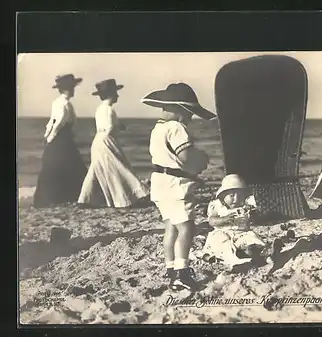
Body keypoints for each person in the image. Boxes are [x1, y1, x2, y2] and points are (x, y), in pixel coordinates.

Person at [141, 82, 215, 291]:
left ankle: (170, 268)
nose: (191, 119)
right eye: (190, 113)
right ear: (180, 110)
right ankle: (182, 273)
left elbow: (167, 161)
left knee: (170, 227)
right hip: (175, 186)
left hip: (160, 183)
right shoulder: (176, 128)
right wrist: (201, 159)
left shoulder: (157, 129)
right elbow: (185, 158)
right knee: (187, 227)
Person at [78, 79, 149, 208]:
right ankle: (129, 196)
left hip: (98, 140)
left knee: (96, 168)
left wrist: (117, 125)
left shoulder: (100, 109)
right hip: (106, 140)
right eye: (115, 93)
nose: (118, 96)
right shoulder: (110, 110)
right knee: (118, 166)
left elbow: (103, 125)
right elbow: (110, 127)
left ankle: (85, 199)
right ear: (111, 94)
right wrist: (117, 128)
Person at [203, 174, 284, 269]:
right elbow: (212, 221)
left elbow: (256, 215)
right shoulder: (217, 205)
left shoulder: (246, 205)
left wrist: (254, 215)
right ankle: (235, 260)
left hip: (242, 233)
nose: (236, 199)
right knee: (224, 244)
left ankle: (262, 253)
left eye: (240, 195)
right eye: (232, 195)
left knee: (252, 238)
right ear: (223, 195)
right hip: (222, 233)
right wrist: (224, 220)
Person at [33, 74, 87, 208]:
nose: (73, 90)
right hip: (62, 138)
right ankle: (70, 195)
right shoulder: (65, 104)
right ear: (65, 89)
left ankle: (57, 197)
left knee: (56, 166)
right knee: (69, 165)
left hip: (61, 137)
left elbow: (51, 122)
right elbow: (59, 122)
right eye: (71, 88)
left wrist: (48, 135)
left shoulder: (58, 102)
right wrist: (51, 137)